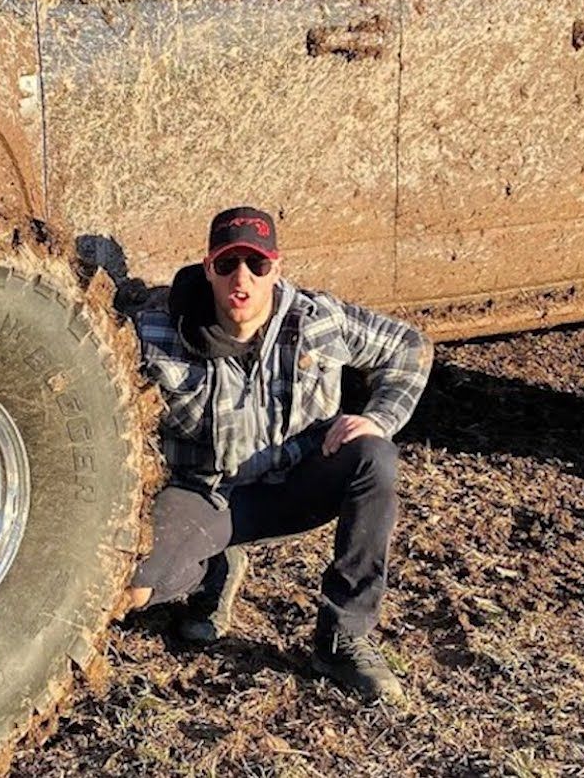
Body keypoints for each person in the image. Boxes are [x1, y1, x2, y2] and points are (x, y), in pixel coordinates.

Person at [125, 207, 432, 702]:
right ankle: (214, 567)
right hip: (206, 495)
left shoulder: (318, 320)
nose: (241, 279)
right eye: (227, 264)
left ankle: (343, 637)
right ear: (208, 268)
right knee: (131, 592)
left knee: (374, 457)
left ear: (277, 267)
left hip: (295, 483)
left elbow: (409, 347)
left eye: (257, 264)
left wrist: (379, 418)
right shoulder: (155, 330)